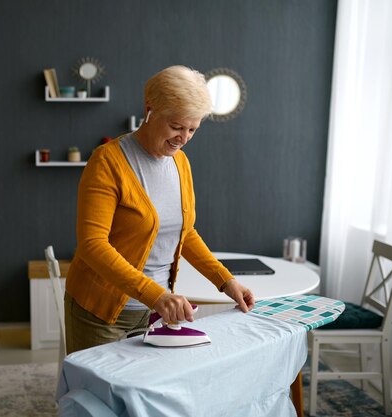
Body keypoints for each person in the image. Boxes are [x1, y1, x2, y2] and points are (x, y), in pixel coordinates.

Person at [64, 65, 255, 354]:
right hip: (100, 314)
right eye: (176, 127)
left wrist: (225, 281)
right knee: (97, 399)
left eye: (192, 129)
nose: (184, 138)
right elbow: (92, 245)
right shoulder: (107, 162)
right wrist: (156, 295)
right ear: (150, 109)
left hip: (155, 313)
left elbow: (184, 232)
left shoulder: (180, 163)